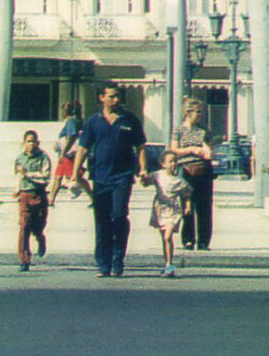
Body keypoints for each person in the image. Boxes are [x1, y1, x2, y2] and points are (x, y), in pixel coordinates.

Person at [70, 82, 148, 278]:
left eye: (117, 96)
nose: (115, 100)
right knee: (102, 220)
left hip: (122, 176)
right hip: (100, 176)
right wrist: (74, 173)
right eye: (111, 96)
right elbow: (83, 148)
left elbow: (140, 146)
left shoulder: (130, 119)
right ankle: (103, 264)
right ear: (102, 98)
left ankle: (118, 260)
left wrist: (143, 169)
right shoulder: (93, 121)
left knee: (119, 216)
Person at [167, 97, 215, 250]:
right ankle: (188, 239)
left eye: (201, 112)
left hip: (203, 169)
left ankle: (203, 240)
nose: (200, 115)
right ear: (188, 113)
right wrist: (192, 150)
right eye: (197, 112)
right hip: (185, 169)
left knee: (204, 206)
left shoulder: (204, 130)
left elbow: (210, 150)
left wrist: (207, 150)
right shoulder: (178, 130)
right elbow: (174, 151)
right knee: (187, 205)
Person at [149, 148, 192, 277]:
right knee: (164, 239)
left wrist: (187, 207)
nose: (173, 164)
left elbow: (187, 194)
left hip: (173, 210)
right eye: (170, 162)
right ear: (163, 164)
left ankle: (169, 265)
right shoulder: (157, 175)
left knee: (168, 236)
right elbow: (146, 182)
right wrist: (142, 175)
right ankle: (168, 263)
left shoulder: (179, 181)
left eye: (175, 161)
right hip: (160, 209)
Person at [13, 130, 52, 272]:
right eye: (28, 141)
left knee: (38, 226)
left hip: (39, 195)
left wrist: (28, 174)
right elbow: (18, 175)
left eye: (33, 141)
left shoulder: (43, 157)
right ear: (24, 143)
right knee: (24, 226)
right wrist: (17, 188)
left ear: (38, 142)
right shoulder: (20, 159)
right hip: (25, 195)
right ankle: (24, 259)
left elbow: (45, 177)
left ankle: (41, 239)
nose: (31, 144)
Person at [47, 101, 83, 204]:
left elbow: (70, 137)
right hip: (67, 153)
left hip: (68, 154)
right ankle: (51, 199)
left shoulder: (71, 121)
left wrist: (63, 152)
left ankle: (51, 199)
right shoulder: (72, 121)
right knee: (61, 176)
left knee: (60, 177)